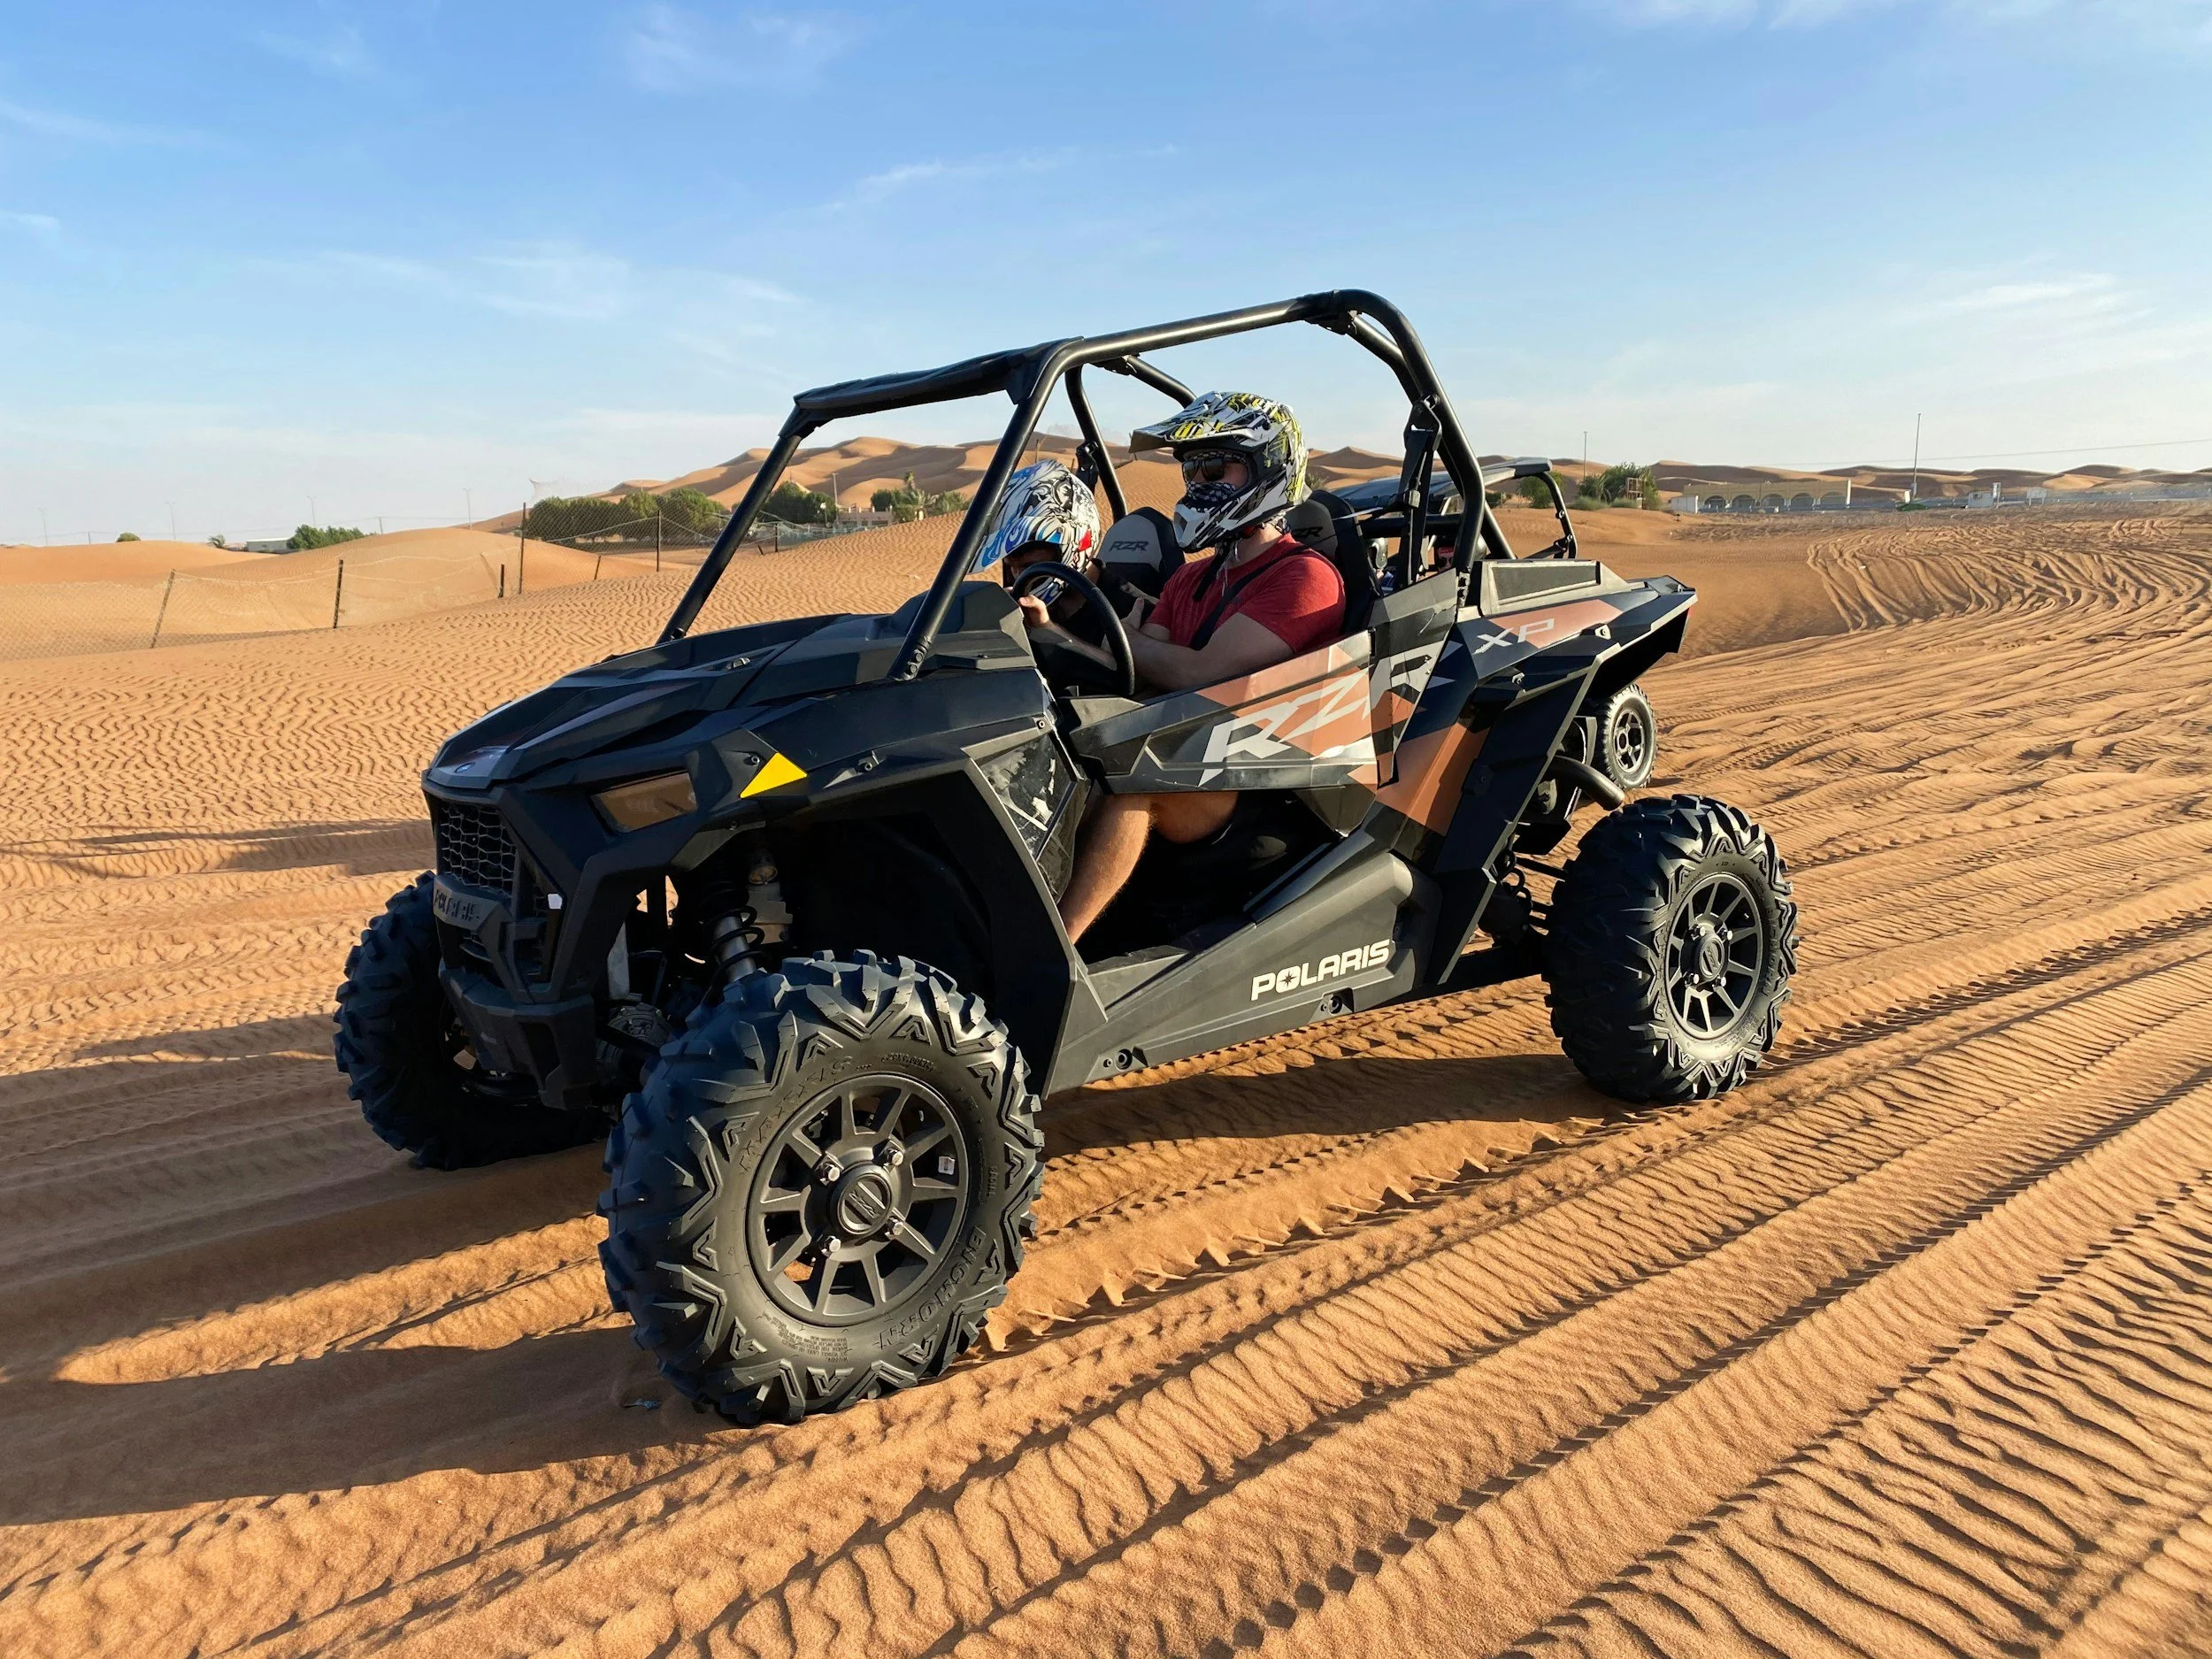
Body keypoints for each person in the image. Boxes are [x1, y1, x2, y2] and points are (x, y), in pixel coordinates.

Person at [1033, 391, 1345, 945]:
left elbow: (1203, 673)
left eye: (1214, 467)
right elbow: (1139, 673)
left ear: (1267, 468)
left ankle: (1055, 950)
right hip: (1192, 751)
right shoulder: (1190, 578)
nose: (1198, 485)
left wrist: (1123, 638)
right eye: (1191, 469)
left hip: (1266, 775)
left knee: (1134, 780)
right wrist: (1056, 634)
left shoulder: (1304, 577)